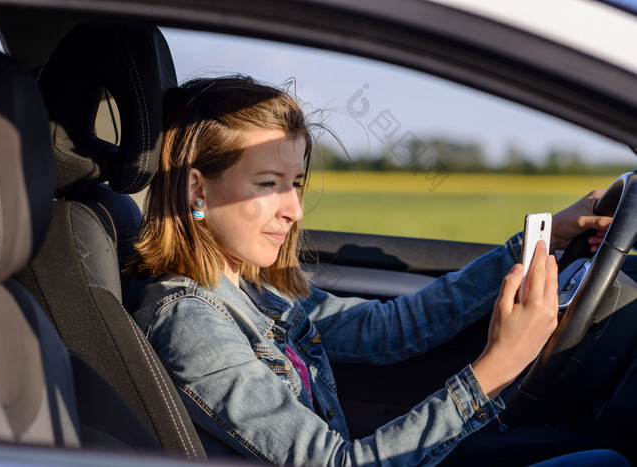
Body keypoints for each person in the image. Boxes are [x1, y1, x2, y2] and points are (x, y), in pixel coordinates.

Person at [129, 75, 624, 465]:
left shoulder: (256, 289)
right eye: (267, 183)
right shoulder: (191, 323)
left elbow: (387, 330)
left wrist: (533, 245)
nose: (294, 210)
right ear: (198, 190)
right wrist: (497, 367)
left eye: (296, 183)